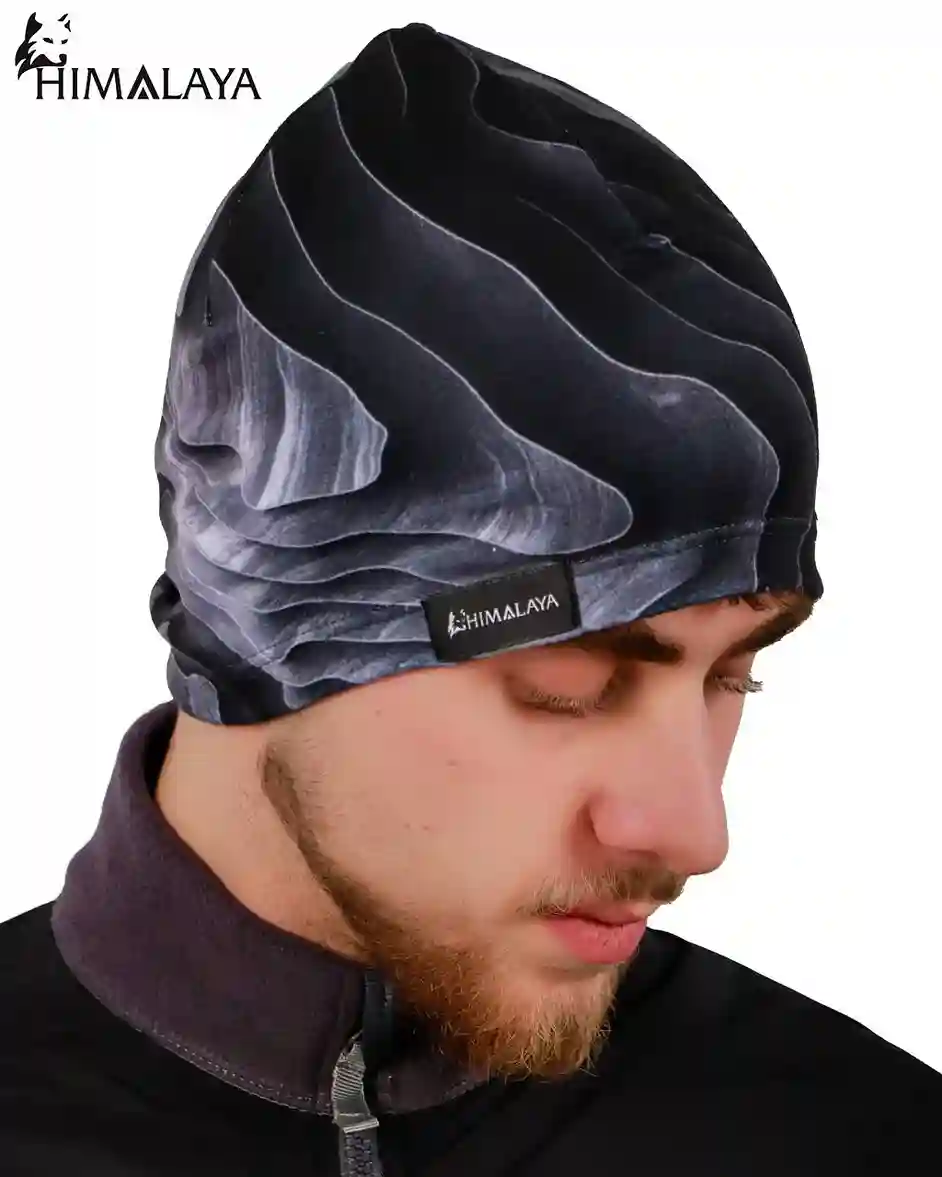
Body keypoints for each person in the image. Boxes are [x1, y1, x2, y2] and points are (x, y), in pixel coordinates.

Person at [1, 21, 938, 1177]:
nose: (695, 831)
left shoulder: (864, 1137)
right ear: (272, 626)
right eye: (568, 683)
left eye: (733, 675)